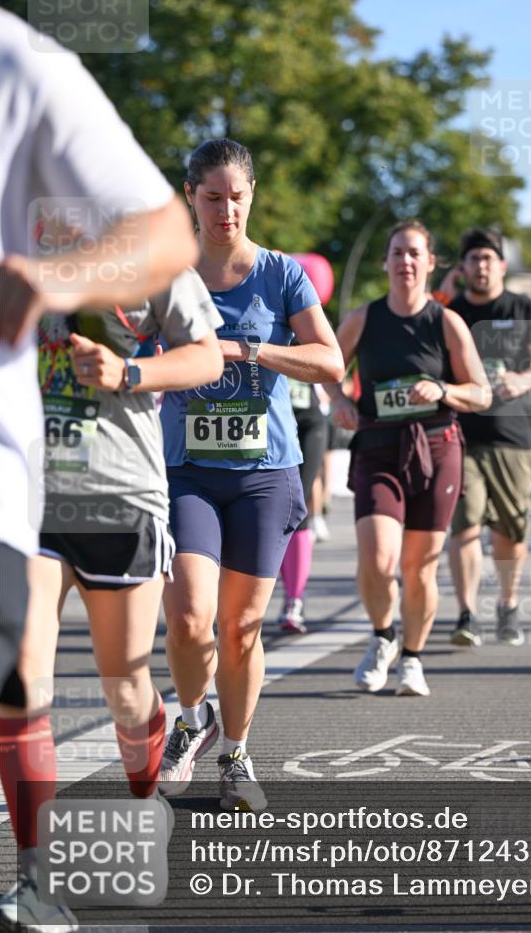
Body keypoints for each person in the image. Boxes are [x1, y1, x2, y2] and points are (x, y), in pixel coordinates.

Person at [0, 8, 200, 933]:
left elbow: (202, 358)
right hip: (28, 487)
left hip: (119, 491)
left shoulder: (133, 246)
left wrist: (127, 369)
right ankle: (36, 877)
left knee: (124, 686)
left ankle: (144, 798)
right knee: (19, 673)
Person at [157, 140, 344, 809]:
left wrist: (248, 349)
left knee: (239, 629)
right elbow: (135, 353)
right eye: (212, 197)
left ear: (252, 196)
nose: (225, 209)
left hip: (265, 472)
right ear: (190, 197)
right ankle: (191, 717)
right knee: (188, 618)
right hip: (186, 471)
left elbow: (328, 362)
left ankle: (235, 754)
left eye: (236, 196)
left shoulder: (281, 273)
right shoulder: (167, 274)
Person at [327, 220, 490, 697]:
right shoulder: (364, 318)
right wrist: (338, 399)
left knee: (419, 567)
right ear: (385, 261)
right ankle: (383, 637)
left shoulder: (446, 322)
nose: (406, 262)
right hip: (378, 446)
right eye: (397, 252)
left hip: (437, 449)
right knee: (377, 558)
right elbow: (325, 365)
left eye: (415, 253)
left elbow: (480, 392)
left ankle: (414, 659)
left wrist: (442, 388)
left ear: (430, 262)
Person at [444, 227, 531, 647]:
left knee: (510, 532)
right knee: (466, 524)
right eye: (473, 259)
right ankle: (466, 612)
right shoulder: (450, 312)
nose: (481, 266)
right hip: (461, 436)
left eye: (489, 259)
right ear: (464, 267)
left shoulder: (525, 308)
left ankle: (507, 604)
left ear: (502, 266)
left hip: (512, 436)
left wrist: (522, 381)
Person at [278, 379, 329, 632]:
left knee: (297, 507)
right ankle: (288, 593)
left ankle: (294, 599)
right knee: (277, 513)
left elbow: (334, 361)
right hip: (271, 424)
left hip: (308, 422)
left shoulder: (305, 336)